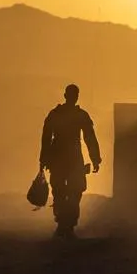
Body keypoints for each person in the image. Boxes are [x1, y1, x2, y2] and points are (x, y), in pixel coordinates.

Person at [38, 83, 101, 238]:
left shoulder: (57, 114)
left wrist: (44, 159)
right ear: (70, 96)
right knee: (68, 191)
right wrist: (95, 159)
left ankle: (65, 224)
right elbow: (89, 138)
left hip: (63, 157)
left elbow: (47, 138)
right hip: (69, 157)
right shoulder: (78, 115)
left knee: (69, 190)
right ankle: (65, 225)